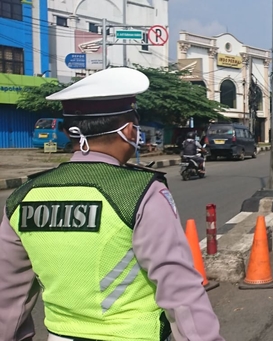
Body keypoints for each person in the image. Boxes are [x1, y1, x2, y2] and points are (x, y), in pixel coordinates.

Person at [0, 68, 224, 341]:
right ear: (129, 130)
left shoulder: (23, 197)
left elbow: (8, 296)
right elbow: (179, 289)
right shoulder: (141, 192)